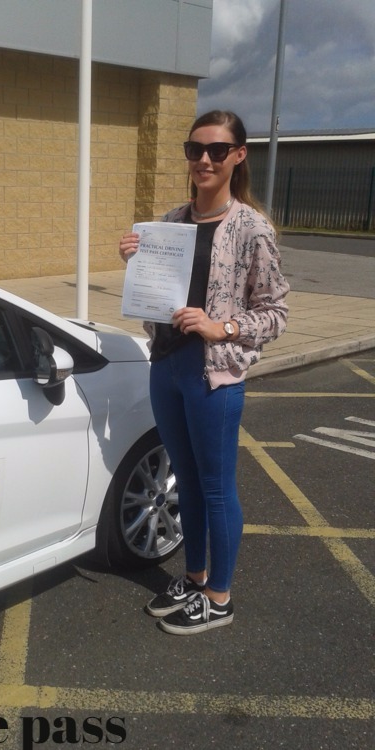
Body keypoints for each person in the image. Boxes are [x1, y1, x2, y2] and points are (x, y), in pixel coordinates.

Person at [119, 110, 289, 635]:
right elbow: (160, 294)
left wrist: (223, 327)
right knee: (185, 480)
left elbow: (275, 313)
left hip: (213, 375)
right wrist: (135, 264)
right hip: (167, 365)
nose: (205, 160)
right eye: (195, 150)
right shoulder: (170, 222)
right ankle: (194, 577)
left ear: (239, 155)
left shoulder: (251, 228)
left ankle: (220, 595)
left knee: (215, 487)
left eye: (217, 150)